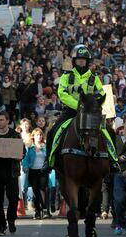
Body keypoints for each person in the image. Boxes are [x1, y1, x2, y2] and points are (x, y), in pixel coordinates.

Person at [41, 44, 120, 173]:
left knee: (109, 131)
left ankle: (113, 161)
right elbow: (62, 94)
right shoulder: (66, 76)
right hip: (70, 112)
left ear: (87, 62)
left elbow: (101, 94)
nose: (81, 62)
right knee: (52, 132)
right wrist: (78, 106)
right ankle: (49, 161)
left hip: (90, 113)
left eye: (83, 60)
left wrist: (91, 104)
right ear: (74, 61)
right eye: (78, 59)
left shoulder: (94, 78)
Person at [0, 111, 23, 235]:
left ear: (8, 121)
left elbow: (21, 154)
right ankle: (0, 227)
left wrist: (17, 155)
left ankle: (11, 220)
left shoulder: (15, 135)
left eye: (2, 120)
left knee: (13, 199)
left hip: (11, 172)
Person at [22, 128, 51, 219]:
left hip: (43, 170)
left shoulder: (45, 146)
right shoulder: (29, 147)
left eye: (40, 135)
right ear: (33, 136)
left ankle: (45, 209)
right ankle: (37, 211)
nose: (39, 137)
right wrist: (25, 166)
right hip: (32, 171)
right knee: (35, 191)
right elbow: (25, 159)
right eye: (37, 135)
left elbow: (49, 158)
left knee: (42, 189)